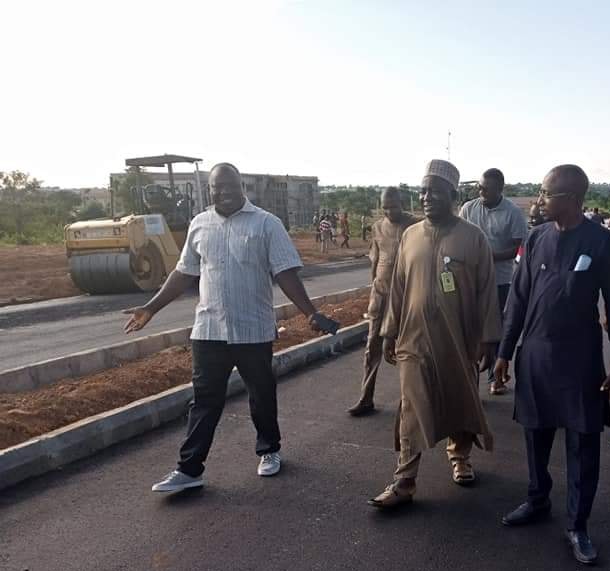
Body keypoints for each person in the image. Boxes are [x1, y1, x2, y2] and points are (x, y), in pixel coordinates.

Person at [122, 163, 338, 495]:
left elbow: (285, 274)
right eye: (216, 187)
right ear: (209, 189)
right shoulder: (199, 224)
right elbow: (183, 273)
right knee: (205, 400)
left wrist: (311, 313)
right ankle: (189, 469)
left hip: (253, 330)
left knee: (261, 394)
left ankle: (269, 450)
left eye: (229, 186)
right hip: (208, 330)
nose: (222, 192)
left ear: (242, 188)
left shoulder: (267, 224)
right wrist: (151, 308)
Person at [495, 165, 610, 565]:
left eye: (545, 193)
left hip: (580, 360)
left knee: (582, 442)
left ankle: (577, 524)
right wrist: (505, 352)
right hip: (535, 355)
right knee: (535, 433)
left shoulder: (602, 242)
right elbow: (517, 300)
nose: (539, 201)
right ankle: (537, 500)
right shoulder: (536, 239)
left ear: (570, 199)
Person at [369, 159, 501, 508]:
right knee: (411, 408)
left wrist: (488, 338)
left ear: (453, 196)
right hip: (413, 340)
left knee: (459, 399)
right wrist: (389, 332)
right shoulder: (410, 236)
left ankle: (460, 457)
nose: (427, 198)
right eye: (423, 191)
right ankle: (404, 480)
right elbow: (398, 288)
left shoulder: (473, 238)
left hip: (458, 341)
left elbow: (487, 291)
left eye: (435, 192)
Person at [347, 187, 417, 416]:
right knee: (372, 349)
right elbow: (374, 262)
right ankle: (365, 398)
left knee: (409, 349)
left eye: (393, 206)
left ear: (402, 203)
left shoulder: (416, 225)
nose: (389, 211)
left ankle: (414, 402)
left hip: (408, 297)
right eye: (385, 207)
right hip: (380, 295)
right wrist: (374, 291)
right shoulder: (377, 227)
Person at [459, 168, 527, 395]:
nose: (480, 191)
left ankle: (495, 378)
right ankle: (469, 381)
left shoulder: (513, 213)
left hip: (501, 281)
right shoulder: (469, 208)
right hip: (471, 281)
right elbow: (458, 235)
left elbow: (518, 247)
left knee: (497, 330)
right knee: (469, 329)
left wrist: (488, 257)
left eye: (485, 188)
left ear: (500, 188)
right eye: (479, 187)